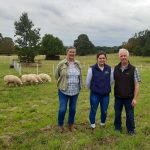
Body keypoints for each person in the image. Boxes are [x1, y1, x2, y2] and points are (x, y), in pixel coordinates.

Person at [55, 46, 83, 133]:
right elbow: (56, 76)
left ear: (75, 53)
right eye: (70, 52)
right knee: (62, 109)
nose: (72, 54)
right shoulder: (61, 64)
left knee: (73, 109)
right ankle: (60, 125)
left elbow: (80, 75)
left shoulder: (77, 63)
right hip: (63, 90)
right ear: (67, 52)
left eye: (73, 52)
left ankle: (71, 125)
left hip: (75, 90)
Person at [114, 48, 140, 135]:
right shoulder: (116, 68)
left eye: (125, 55)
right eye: (121, 56)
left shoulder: (134, 69)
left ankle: (131, 130)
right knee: (117, 114)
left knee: (130, 115)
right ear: (119, 57)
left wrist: (135, 98)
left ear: (128, 56)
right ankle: (117, 128)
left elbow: (137, 85)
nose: (123, 57)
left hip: (129, 97)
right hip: (118, 97)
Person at [86, 51, 113, 131]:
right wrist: (94, 89)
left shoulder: (109, 69)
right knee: (93, 109)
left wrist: (105, 88)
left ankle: (102, 124)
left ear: (106, 59)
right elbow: (88, 82)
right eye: (100, 58)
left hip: (105, 95)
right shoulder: (91, 69)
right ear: (97, 59)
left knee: (104, 110)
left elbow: (111, 81)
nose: (102, 60)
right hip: (95, 94)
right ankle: (93, 125)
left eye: (103, 58)